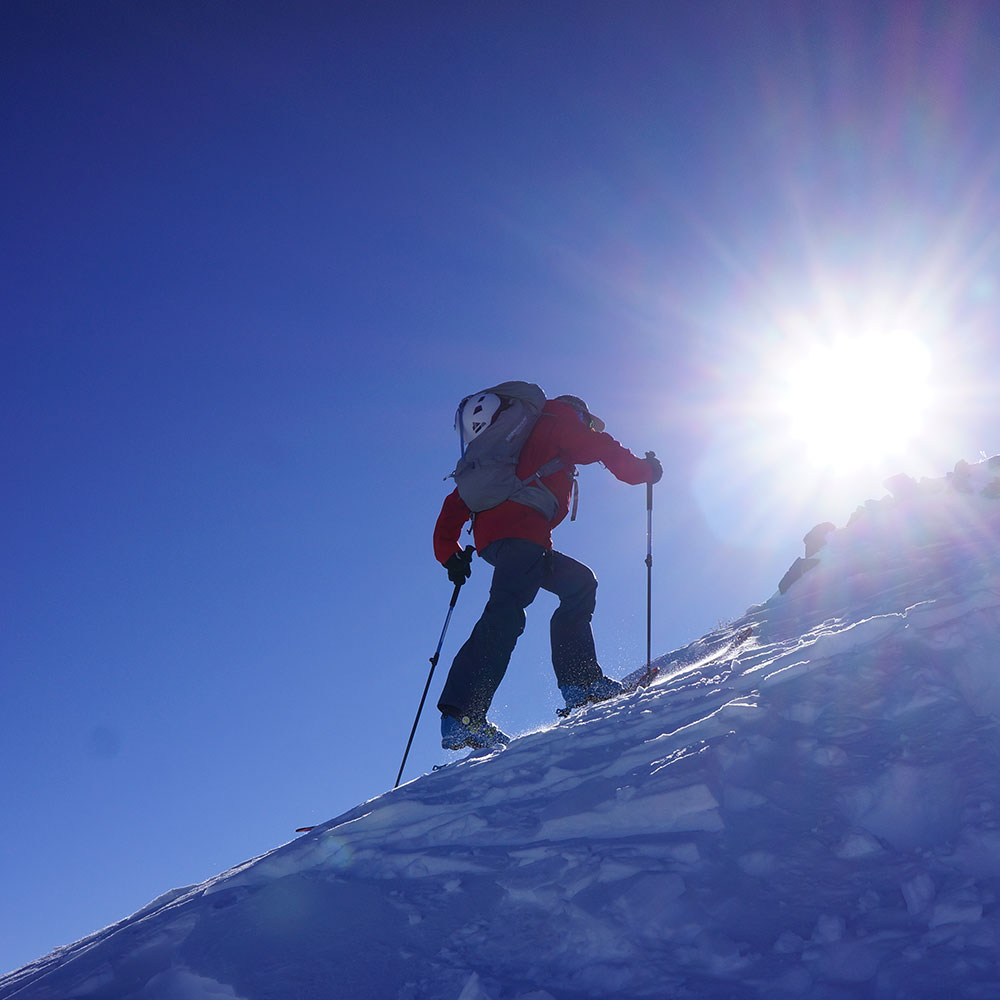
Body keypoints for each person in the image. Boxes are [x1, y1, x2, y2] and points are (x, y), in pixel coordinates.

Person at [433, 392, 663, 750]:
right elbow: (598, 445)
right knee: (506, 614)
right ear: (578, 412)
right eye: (586, 419)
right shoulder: (556, 421)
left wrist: (450, 555)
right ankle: (463, 715)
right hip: (522, 537)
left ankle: (580, 684)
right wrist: (644, 471)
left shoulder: (501, 449)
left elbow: (456, 503)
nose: (586, 425)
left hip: (511, 542)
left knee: (579, 584)